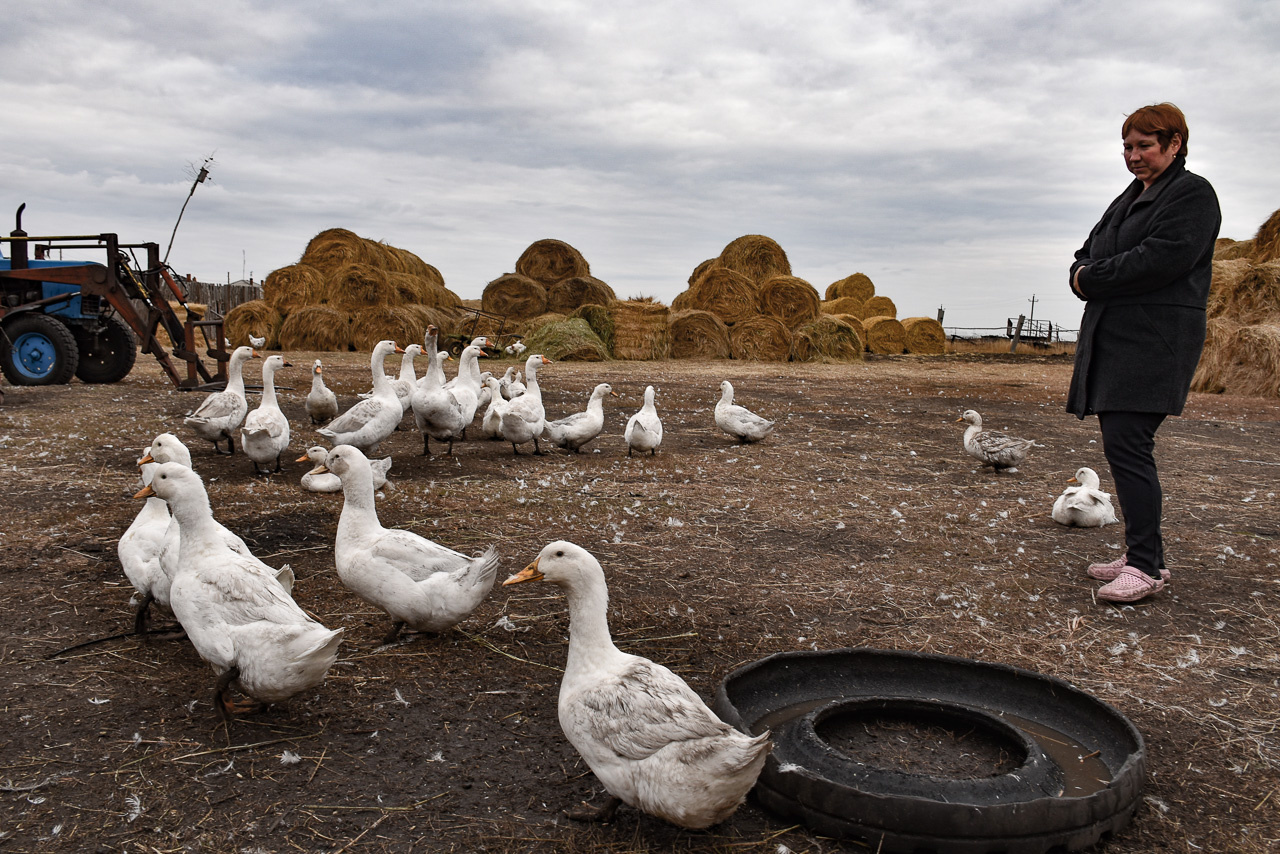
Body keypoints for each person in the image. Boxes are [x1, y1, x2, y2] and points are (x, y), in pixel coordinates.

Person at [1066, 103, 1221, 604]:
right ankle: (1141, 553)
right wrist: (1085, 272)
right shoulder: (1130, 196)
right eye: (1127, 147)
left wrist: (1093, 278)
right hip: (1117, 336)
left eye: (1145, 146)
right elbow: (1087, 252)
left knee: (1129, 443)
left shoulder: (1192, 195)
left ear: (1175, 144)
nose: (1134, 156)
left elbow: (1160, 259)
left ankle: (1145, 566)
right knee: (1122, 444)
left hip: (1155, 340)